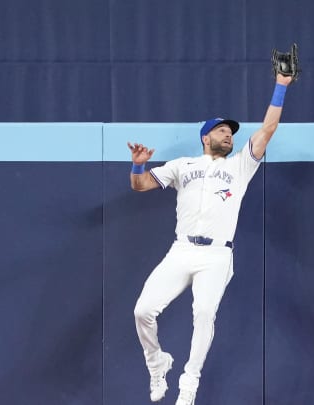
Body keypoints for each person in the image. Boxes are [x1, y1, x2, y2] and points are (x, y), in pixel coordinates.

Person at [127, 72, 293, 405]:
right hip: (182, 249)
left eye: (231, 132)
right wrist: (138, 167)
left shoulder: (240, 167)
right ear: (206, 137)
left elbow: (268, 129)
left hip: (217, 255)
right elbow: (141, 186)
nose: (228, 135)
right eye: (221, 130)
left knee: (204, 312)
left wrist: (281, 85)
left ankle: (189, 384)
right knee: (142, 310)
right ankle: (157, 362)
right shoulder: (182, 165)